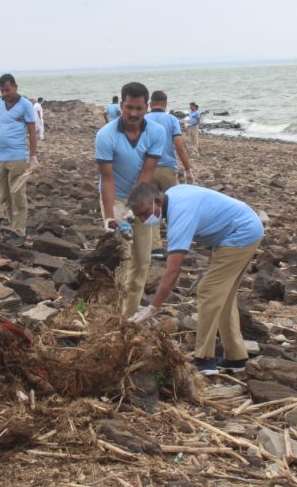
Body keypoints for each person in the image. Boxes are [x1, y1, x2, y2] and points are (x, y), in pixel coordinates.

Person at [127, 183, 264, 375]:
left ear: (157, 201)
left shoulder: (181, 214)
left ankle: (204, 359)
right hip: (244, 226)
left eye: (145, 212)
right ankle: (236, 358)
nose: (143, 219)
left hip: (242, 233)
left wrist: (152, 307)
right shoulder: (171, 195)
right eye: (139, 216)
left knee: (208, 290)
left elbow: (173, 270)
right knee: (222, 296)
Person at [96, 82, 166, 317]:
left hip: (141, 195)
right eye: (128, 108)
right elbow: (107, 179)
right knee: (123, 258)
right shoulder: (105, 136)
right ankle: (114, 314)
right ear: (120, 107)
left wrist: (134, 208)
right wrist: (110, 217)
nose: (133, 113)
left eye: (138, 108)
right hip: (114, 196)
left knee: (142, 259)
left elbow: (147, 173)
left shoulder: (157, 132)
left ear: (146, 107)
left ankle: (131, 316)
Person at [0, 74, 39, 244]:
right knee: (5, 196)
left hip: (18, 158)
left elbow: (32, 132)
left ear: (15, 87)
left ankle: (20, 233)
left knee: (17, 195)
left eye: (8, 89)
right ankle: (14, 229)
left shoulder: (25, 105)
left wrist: (33, 157)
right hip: (0, 157)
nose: (5, 93)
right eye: (2, 90)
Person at [145, 90, 196, 259]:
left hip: (147, 168)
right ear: (165, 104)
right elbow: (179, 146)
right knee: (174, 206)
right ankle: (176, 243)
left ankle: (155, 247)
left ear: (151, 104)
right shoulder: (172, 120)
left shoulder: (144, 119)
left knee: (152, 206)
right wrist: (188, 168)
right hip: (167, 167)